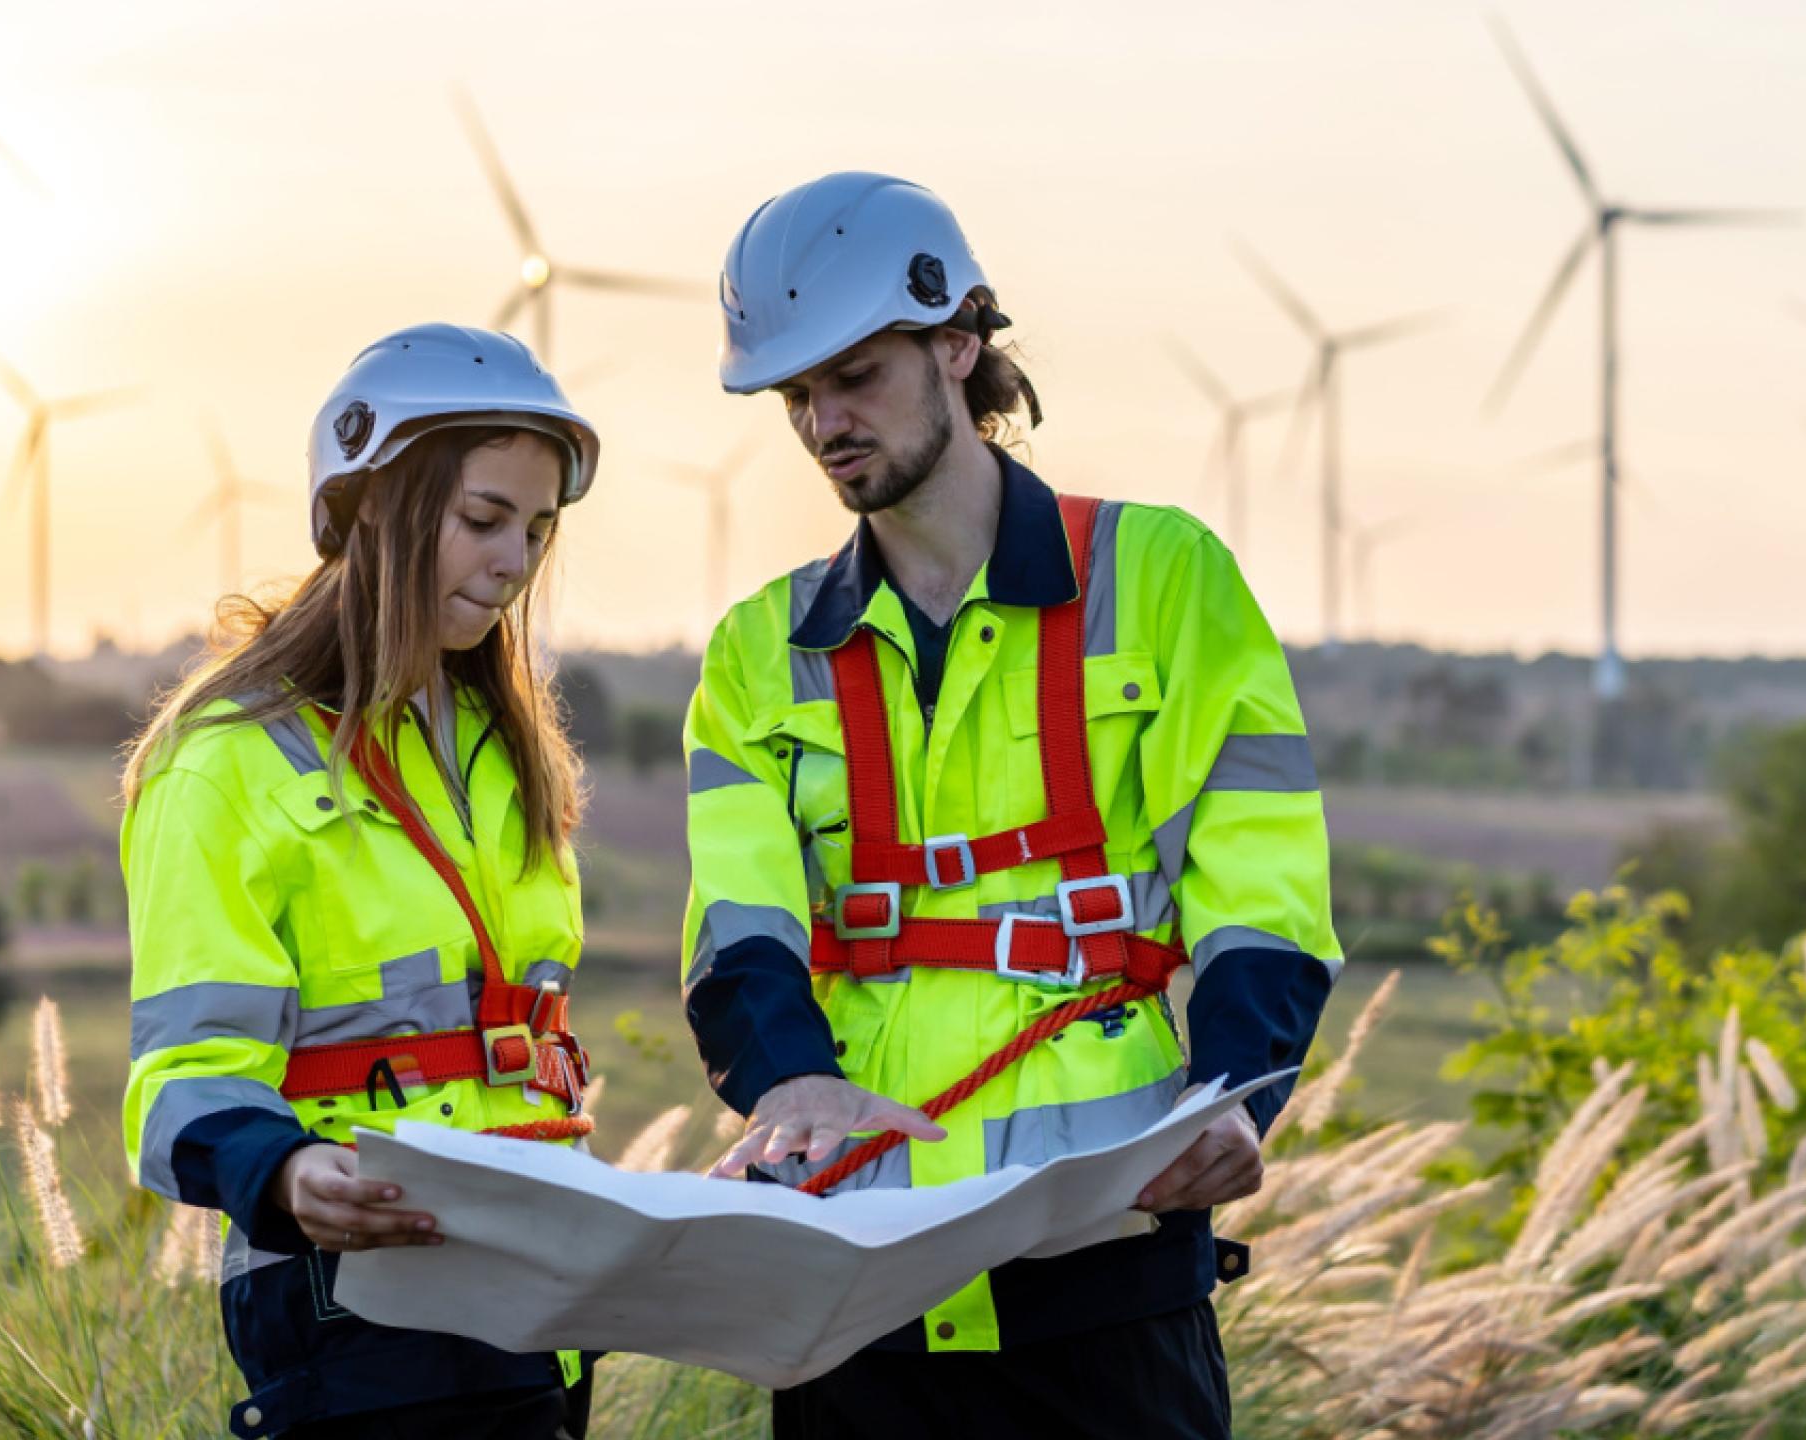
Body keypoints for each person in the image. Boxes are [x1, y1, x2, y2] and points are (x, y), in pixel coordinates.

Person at [681, 173, 1342, 1438]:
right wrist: (786, 1083)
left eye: (855, 375)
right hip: (854, 1272)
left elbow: (1259, 871)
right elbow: (738, 921)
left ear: (958, 342)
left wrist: (1239, 1097)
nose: (824, 422)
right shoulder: (758, 652)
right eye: (796, 396)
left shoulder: (1161, 578)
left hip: (1106, 1269)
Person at [121, 323, 605, 1439]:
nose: (514, 562)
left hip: (535, 1288)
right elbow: (180, 1075)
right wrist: (286, 1170)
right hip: (355, 1308)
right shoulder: (226, 760)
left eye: (535, 530)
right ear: (373, 509)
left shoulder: (509, 751)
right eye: (484, 519)